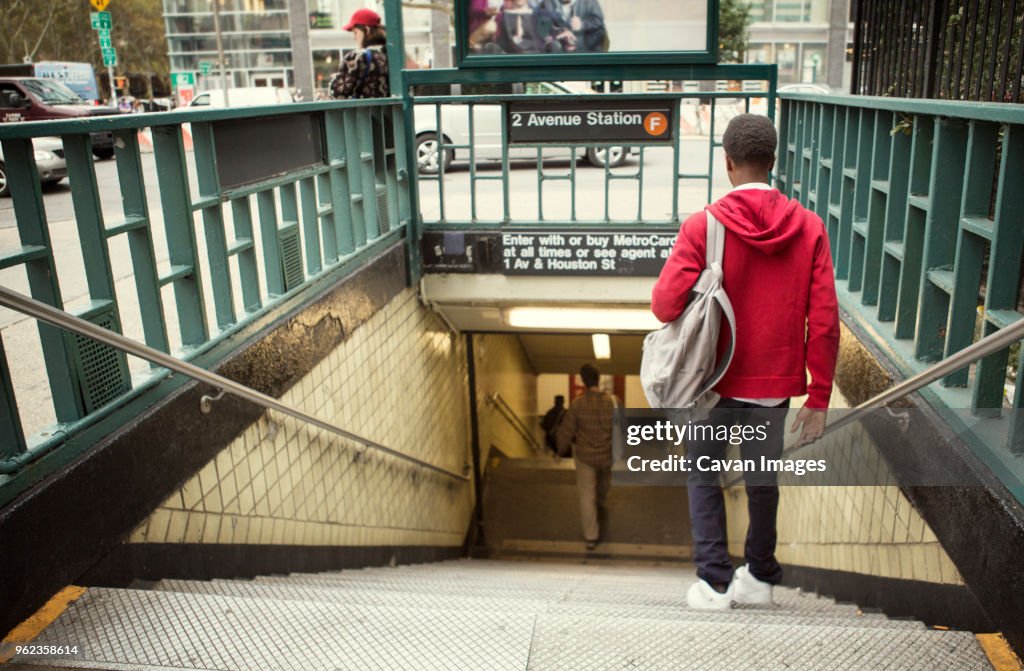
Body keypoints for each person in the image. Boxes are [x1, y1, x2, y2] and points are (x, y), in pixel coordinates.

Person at [651, 114, 840, 609]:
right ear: (772, 162)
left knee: (704, 475)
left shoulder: (702, 226)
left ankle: (714, 584)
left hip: (712, 383)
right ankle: (758, 579)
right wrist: (818, 397)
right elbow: (823, 321)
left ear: (728, 162)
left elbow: (664, 306)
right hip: (774, 387)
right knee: (761, 481)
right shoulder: (810, 227)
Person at [556, 365, 617, 550]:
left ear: (583, 381)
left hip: (584, 456)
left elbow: (567, 430)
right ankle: (600, 501)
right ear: (598, 379)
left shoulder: (577, 403)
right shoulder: (611, 402)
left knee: (586, 495)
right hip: (606, 454)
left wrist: (560, 449)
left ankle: (591, 536)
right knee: (604, 484)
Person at [330, 8, 389, 100]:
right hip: (388, 113)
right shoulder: (389, 54)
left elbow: (338, 95)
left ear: (367, 30)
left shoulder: (357, 57)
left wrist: (336, 79)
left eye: (355, 32)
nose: (354, 38)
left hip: (363, 113)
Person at [538, 0, 607, 53]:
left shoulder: (589, 2)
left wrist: (582, 25)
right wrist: (561, 32)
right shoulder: (548, 3)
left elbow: (598, 21)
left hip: (586, 52)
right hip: (560, 55)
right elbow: (543, 26)